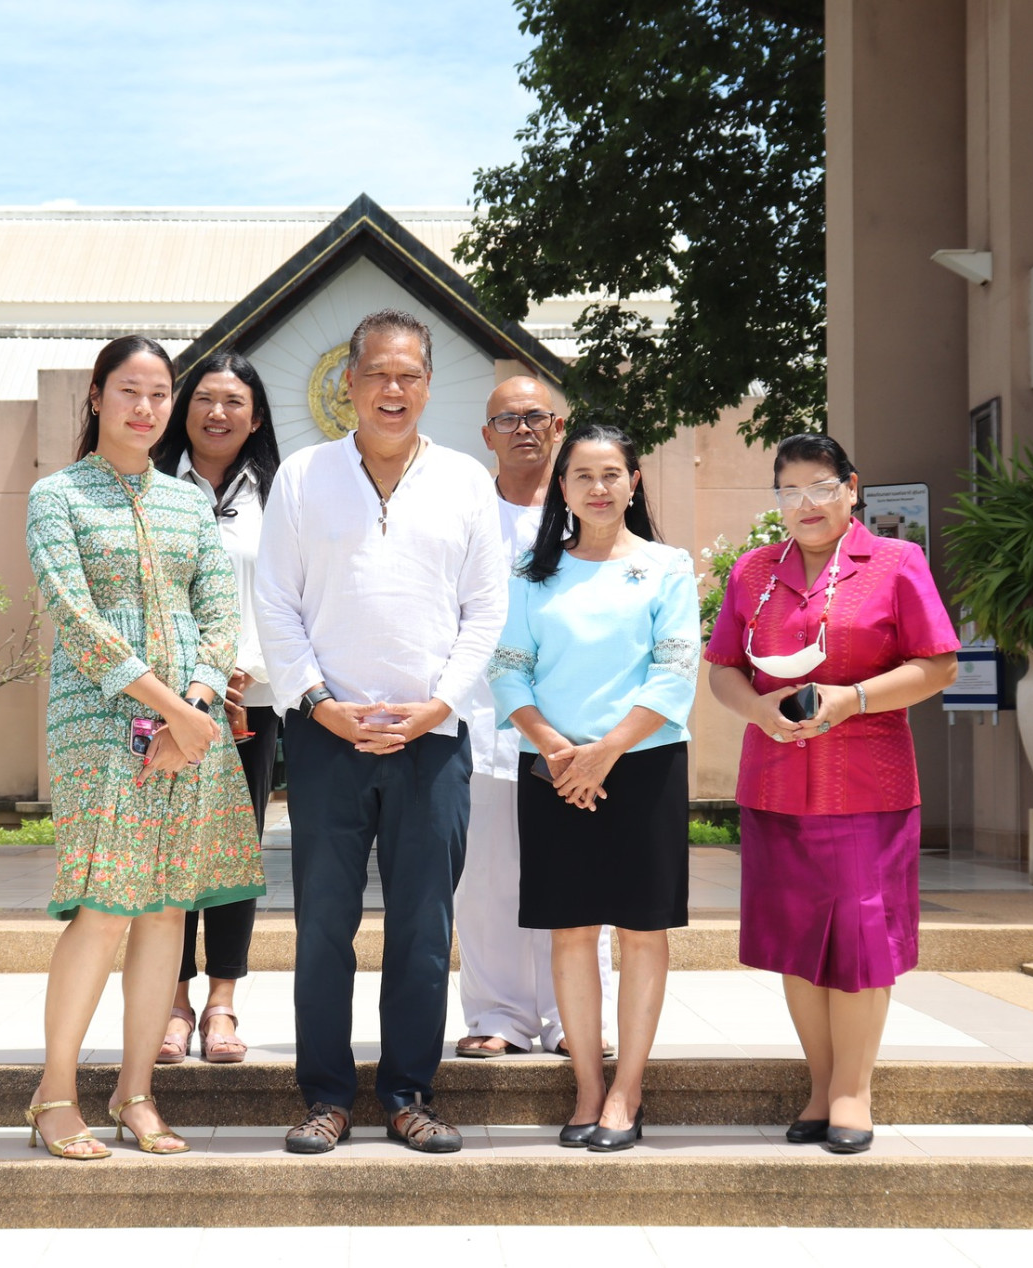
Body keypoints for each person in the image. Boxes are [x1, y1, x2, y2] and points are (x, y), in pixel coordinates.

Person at [254, 309, 507, 1155]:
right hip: (328, 736)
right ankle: (324, 1095)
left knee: (423, 928)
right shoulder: (302, 477)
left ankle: (406, 1093)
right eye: (376, 374)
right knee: (322, 925)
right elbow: (276, 606)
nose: (392, 389)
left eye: (409, 375)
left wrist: (439, 705)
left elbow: (485, 612)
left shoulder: (467, 481)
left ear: (428, 386)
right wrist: (319, 702)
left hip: (432, 740)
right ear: (349, 384)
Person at [21, 335, 264, 1160]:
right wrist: (172, 710)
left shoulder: (189, 503)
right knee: (103, 906)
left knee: (166, 906)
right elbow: (76, 619)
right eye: (130, 390)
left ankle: (135, 1093)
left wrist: (196, 704)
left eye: (161, 394)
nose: (147, 408)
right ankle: (55, 1093)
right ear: (95, 396)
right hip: (99, 719)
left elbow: (218, 611)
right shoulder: (57, 496)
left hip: (188, 726)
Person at [704, 433, 959, 1156]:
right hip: (775, 781)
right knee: (796, 946)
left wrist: (852, 699)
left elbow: (936, 664)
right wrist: (756, 709)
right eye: (789, 491)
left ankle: (854, 1090)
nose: (805, 504)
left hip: (865, 785)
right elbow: (723, 667)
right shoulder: (753, 572)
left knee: (858, 942)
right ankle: (820, 1085)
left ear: (852, 488)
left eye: (820, 487)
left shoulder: (895, 564)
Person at [490, 422, 701, 1153]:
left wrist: (605, 751)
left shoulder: (667, 567)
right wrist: (556, 750)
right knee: (571, 933)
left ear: (633, 481)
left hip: (642, 765)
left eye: (612, 473)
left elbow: (675, 670)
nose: (599, 487)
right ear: (562, 487)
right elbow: (508, 668)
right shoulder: (530, 572)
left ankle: (627, 1091)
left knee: (641, 935)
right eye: (582, 475)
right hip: (552, 768)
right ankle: (585, 1086)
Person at [454, 378, 618, 1061]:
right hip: (482, 720)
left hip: (576, 728)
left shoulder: (590, 510)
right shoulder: (462, 513)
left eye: (536, 417)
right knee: (485, 879)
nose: (523, 429)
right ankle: (496, 1016)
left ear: (559, 427)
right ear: (485, 435)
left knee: (579, 878)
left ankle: (575, 1019)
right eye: (506, 419)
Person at [151, 350, 283, 1065]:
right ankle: (171, 1002)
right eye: (203, 398)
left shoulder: (280, 494)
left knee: (234, 851)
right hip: (165, 700)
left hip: (246, 698)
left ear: (255, 416)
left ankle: (223, 1004)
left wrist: (243, 672)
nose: (217, 413)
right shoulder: (148, 484)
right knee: (169, 849)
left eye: (234, 401)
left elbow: (289, 595)